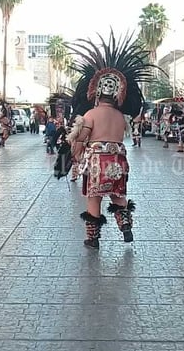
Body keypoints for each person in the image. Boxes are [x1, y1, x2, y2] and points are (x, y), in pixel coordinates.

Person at [68, 32, 156, 249]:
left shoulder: (90, 115)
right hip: (118, 161)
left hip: (97, 161)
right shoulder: (120, 117)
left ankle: (93, 238)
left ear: (96, 93)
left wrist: (76, 155)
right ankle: (125, 225)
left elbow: (80, 139)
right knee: (117, 195)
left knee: (94, 197)